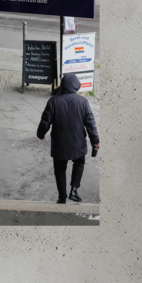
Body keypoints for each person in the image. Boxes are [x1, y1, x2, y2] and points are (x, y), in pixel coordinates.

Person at [37, 73, 100, 203]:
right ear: (76, 86)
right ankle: (74, 190)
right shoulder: (83, 102)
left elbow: (45, 122)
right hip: (78, 143)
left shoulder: (53, 101)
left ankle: (62, 197)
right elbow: (90, 124)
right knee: (79, 162)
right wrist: (95, 141)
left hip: (60, 145)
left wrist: (41, 134)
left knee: (60, 170)